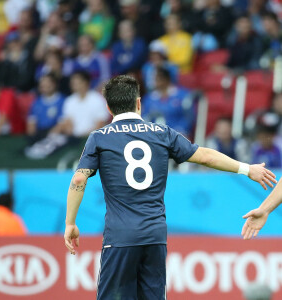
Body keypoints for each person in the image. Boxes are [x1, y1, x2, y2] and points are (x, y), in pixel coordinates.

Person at [64, 75, 276, 299]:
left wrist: (70, 223)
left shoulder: (99, 138)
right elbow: (204, 156)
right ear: (138, 103)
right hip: (155, 235)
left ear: (108, 107)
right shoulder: (162, 133)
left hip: (120, 236)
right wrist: (247, 169)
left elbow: (78, 179)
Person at [142, 66, 195, 137]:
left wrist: (180, 132)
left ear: (166, 79)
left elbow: (188, 118)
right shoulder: (148, 98)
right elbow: (144, 118)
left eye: (157, 78)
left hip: (178, 136)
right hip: (155, 138)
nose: (153, 81)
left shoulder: (183, 95)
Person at [27, 73, 65, 143]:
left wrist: (49, 136)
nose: (44, 85)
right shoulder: (36, 102)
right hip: (39, 134)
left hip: (55, 136)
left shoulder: (63, 101)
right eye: (42, 82)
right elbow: (31, 123)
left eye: (47, 82)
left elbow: (62, 123)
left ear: (54, 84)